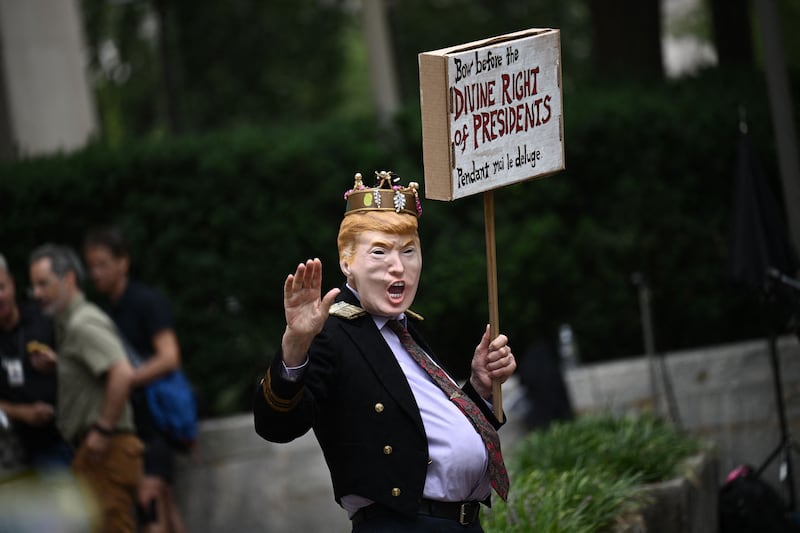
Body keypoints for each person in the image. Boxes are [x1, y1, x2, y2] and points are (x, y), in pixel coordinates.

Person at [253, 171, 517, 531]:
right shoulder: (332, 333)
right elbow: (277, 425)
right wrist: (295, 345)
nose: (398, 266)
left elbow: (422, 425)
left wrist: (480, 388)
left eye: (409, 251)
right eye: (379, 251)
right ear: (347, 261)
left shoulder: (405, 327)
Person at [29, 243, 142, 533]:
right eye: (34, 286)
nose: (37, 294)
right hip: (95, 452)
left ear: (68, 279)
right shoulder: (69, 325)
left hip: (108, 449)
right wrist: (61, 366)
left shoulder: (82, 322)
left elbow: (122, 373)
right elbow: (97, 374)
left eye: (44, 284)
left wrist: (103, 430)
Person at [83, 226, 187, 533]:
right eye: (91, 266)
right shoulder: (104, 312)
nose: (96, 273)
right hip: (134, 424)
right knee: (163, 504)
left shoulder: (146, 301)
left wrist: (125, 379)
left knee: (150, 500)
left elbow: (169, 357)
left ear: (122, 262)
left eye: (102, 264)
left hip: (155, 423)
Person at [0, 253, 72, 470]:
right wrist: (23, 413)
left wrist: (58, 364)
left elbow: (82, 370)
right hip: (10, 451)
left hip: (58, 441)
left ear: (12, 283)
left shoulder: (44, 317)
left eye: (1, 287)